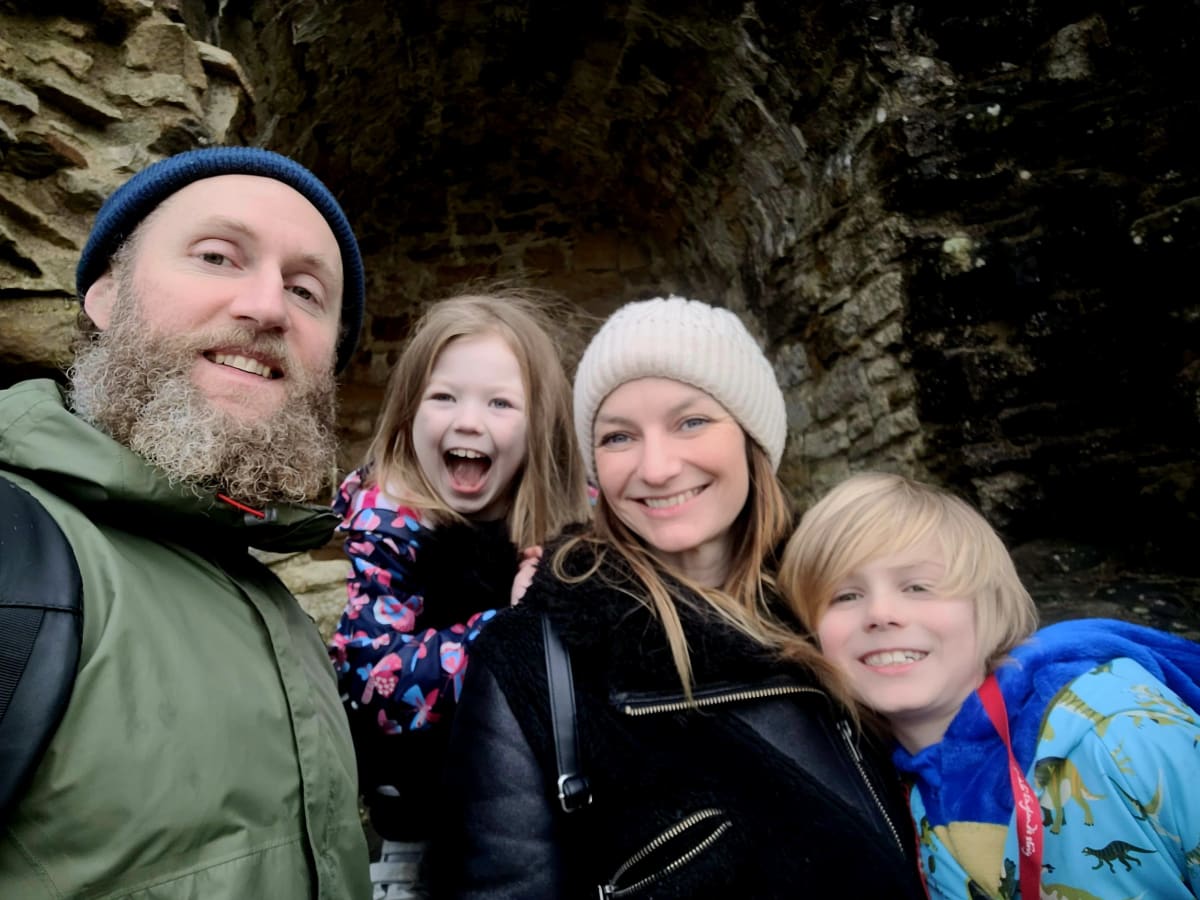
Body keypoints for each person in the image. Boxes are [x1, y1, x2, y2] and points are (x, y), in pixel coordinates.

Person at [429, 296, 927, 898]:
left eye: (691, 422)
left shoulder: (838, 610)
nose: (657, 467)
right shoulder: (531, 659)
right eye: (618, 437)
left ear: (751, 438)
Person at [0, 147, 371, 898]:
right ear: (105, 294)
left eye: (306, 291)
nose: (268, 307)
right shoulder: (17, 548)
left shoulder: (276, 610)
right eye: (217, 256)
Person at [779, 471, 1200, 899]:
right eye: (844, 596)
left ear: (988, 609)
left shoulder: (1117, 733)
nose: (881, 613)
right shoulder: (872, 793)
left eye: (919, 586)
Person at [327, 292, 591, 898]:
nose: (468, 421)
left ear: (540, 428)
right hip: (425, 814)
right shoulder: (391, 525)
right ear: (407, 416)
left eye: (500, 403)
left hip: (556, 807)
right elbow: (376, 683)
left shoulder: (572, 528)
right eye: (444, 397)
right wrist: (514, 625)